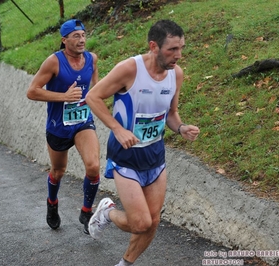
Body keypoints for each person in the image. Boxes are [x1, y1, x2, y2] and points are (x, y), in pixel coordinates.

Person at [85, 20, 200, 266]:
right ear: (153, 46)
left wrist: (180, 128)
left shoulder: (175, 74)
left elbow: (171, 113)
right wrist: (117, 128)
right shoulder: (130, 69)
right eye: (172, 49)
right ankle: (107, 212)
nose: (178, 55)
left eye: (181, 48)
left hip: (155, 157)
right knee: (140, 223)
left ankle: (125, 263)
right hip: (126, 157)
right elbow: (92, 97)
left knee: (154, 221)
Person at [27, 19, 100, 234]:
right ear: (64, 39)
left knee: (93, 166)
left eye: (84, 35)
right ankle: (52, 203)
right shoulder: (54, 62)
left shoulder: (92, 59)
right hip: (58, 126)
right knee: (58, 171)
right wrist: (64, 97)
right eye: (76, 36)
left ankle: (86, 212)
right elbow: (32, 91)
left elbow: (97, 88)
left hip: (83, 122)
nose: (82, 39)